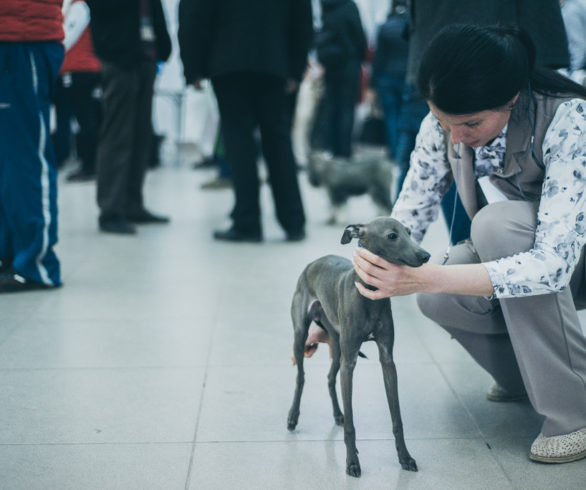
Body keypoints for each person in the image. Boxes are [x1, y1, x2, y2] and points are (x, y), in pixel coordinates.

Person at [350, 24, 586, 464]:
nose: (455, 136)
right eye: (443, 122)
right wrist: (340, 308)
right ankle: (523, 377)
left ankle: (575, 411)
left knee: (494, 228)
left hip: (575, 259)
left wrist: (428, 276)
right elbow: (402, 222)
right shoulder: (442, 127)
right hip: (523, 253)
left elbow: (554, 264)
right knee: (439, 302)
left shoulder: (569, 118)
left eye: (470, 123)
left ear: (512, 98)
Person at [178, 0, 313, 243]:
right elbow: (302, 17)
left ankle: (247, 222)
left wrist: (193, 67)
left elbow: (193, 13)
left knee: (239, 142)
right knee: (278, 140)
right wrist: (295, 68)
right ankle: (293, 221)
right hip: (273, 61)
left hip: (227, 61)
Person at [87, 0, 172, 235]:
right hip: (119, 57)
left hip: (146, 56)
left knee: (141, 134)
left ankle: (132, 204)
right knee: (118, 135)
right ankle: (111, 209)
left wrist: (164, 47)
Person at [0, 0, 64, 293]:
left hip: (23, 38)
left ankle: (36, 263)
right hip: (12, 34)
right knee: (7, 159)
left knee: (25, 156)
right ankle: (9, 254)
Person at [315, 0, 367, 158]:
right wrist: (359, 56)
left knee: (331, 107)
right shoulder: (349, 6)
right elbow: (359, 35)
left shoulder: (325, 6)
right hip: (348, 63)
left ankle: (330, 148)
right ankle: (344, 152)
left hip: (331, 65)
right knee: (346, 109)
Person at [59, 0, 102, 182]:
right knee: (85, 119)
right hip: (81, 70)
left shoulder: (80, 7)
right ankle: (89, 163)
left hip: (81, 71)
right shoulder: (76, 6)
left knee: (85, 120)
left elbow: (66, 38)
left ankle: (89, 165)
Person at [370, 0, 409, 193]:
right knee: (404, 119)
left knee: (390, 118)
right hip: (406, 78)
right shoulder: (409, 25)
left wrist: (373, 84)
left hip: (386, 78)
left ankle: (394, 153)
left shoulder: (385, 27)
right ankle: (404, 153)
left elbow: (379, 58)